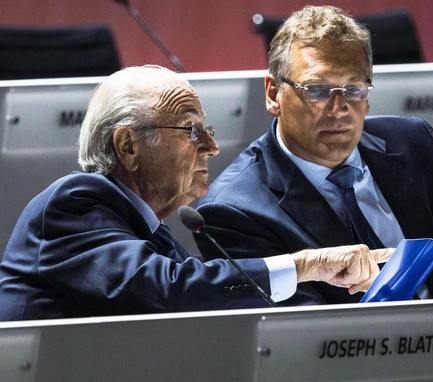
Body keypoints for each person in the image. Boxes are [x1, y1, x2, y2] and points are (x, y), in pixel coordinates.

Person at [195, 5, 433, 305]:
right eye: (317, 89)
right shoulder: (234, 212)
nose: (339, 107)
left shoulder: (412, 146)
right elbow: (303, 342)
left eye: (354, 89)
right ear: (273, 94)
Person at [0, 65, 392, 321]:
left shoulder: (150, 231)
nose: (211, 145)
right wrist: (307, 265)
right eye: (191, 130)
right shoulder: (75, 203)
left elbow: (208, 306)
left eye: (207, 129)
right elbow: (173, 291)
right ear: (128, 147)